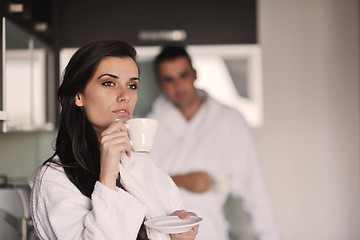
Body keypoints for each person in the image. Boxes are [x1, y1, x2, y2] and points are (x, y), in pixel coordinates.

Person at [30, 40, 199, 240]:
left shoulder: (141, 165)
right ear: (78, 95)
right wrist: (107, 176)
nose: (125, 95)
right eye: (108, 83)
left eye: (132, 85)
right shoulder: (55, 178)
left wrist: (176, 234)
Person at [146, 45, 280, 240]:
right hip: (162, 234)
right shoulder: (149, 127)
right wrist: (183, 180)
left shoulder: (230, 121)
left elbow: (255, 191)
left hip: (211, 231)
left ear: (195, 74)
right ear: (160, 83)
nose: (178, 86)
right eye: (169, 80)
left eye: (183, 75)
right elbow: (140, 187)